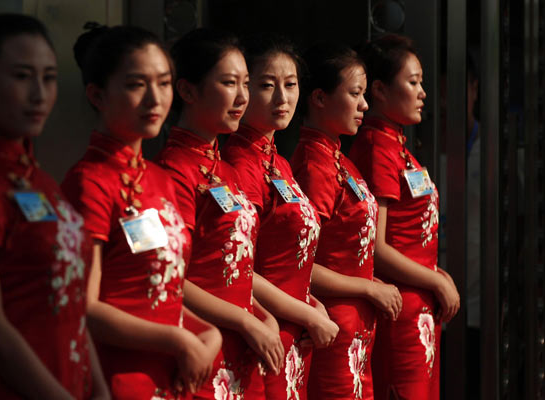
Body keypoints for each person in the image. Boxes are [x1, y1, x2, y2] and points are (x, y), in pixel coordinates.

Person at [61, 24, 221, 399]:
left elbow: (165, 289)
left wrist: (207, 333)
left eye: (164, 83)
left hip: (174, 375)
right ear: (98, 95)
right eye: (136, 85)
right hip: (122, 377)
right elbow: (84, 307)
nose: (155, 99)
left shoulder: (158, 178)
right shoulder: (89, 182)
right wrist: (178, 340)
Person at [154, 28, 284, 400]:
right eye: (229, 83)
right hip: (206, 347)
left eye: (246, 83)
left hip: (247, 346)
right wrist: (246, 320)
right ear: (188, 91)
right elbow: (174, 278)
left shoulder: (225, 170)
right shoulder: (174, 171)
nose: (243, 96)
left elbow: (237, 268)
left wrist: (261, 315)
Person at [0, 14, 109, 399]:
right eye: (23, 76)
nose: (40, 94)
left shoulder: (39, 182)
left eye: (49, 77)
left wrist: (100, 391)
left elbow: (71, 304)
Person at [221, 33, 339, 399]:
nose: (282, 98)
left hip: (295, 331)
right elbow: (242, 267)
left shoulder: (279, 162)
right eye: (267, 86)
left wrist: (311, 305)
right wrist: (307, 313)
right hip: (267, 333)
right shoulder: (241, 164)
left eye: (290, 85)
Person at [350, 33, 460, 399]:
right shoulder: (377, 146)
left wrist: (435, 277)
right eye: (413, 83)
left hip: (419, 308)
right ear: (379, 90)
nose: (423, 92)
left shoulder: (397, 146)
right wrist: (437, 280)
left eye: (422, 83)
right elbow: (377, 248)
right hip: (401, 308)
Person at [291, 42, 403, 400]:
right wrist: (369, 287)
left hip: (355, 330)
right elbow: (301, 266)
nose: (365, 105)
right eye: (355, 93)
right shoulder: (315, 166)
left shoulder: (338, 160)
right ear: (319, 98)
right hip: (334, 328)